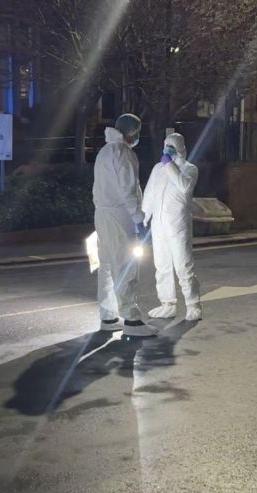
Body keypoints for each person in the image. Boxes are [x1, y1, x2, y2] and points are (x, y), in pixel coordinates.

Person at [93, 114, 157, 337]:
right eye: (137, 132)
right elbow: (128, 192)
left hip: (102, 215)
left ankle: (108, 316)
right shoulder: (124, 153)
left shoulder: (105, 152)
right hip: (120, 216)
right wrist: (139, 220)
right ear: (131, 133)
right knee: (126, 265)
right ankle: (132, 320)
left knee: (108, 266)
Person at [142, 132, 202, 322]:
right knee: (162, 266)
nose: (167, 149)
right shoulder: (157, 169)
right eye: (166, 145)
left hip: (178, 226)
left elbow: (184, 187)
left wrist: (169, 164)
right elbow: (149, 194)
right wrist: (143, 218)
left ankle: (193, 305)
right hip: (158, 225)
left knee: (183, 266)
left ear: (181, 149)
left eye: (172, 146)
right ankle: (167, 304)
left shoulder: (189, 169)